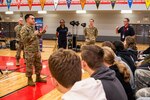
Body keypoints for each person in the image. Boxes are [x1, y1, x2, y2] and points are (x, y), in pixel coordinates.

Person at [21, 14, 47, 86]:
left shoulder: (33, 28)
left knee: (38, 65)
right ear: (27, 20)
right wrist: (34, 35)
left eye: (34, 19)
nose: (34, 20)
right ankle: (29, 80)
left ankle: (38, 77)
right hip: (29, 51)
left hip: (36, 50)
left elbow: (38, 36)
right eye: (32, 18)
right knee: (29, 66)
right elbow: (24, 40)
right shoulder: (24, 29)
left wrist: (43, 31)